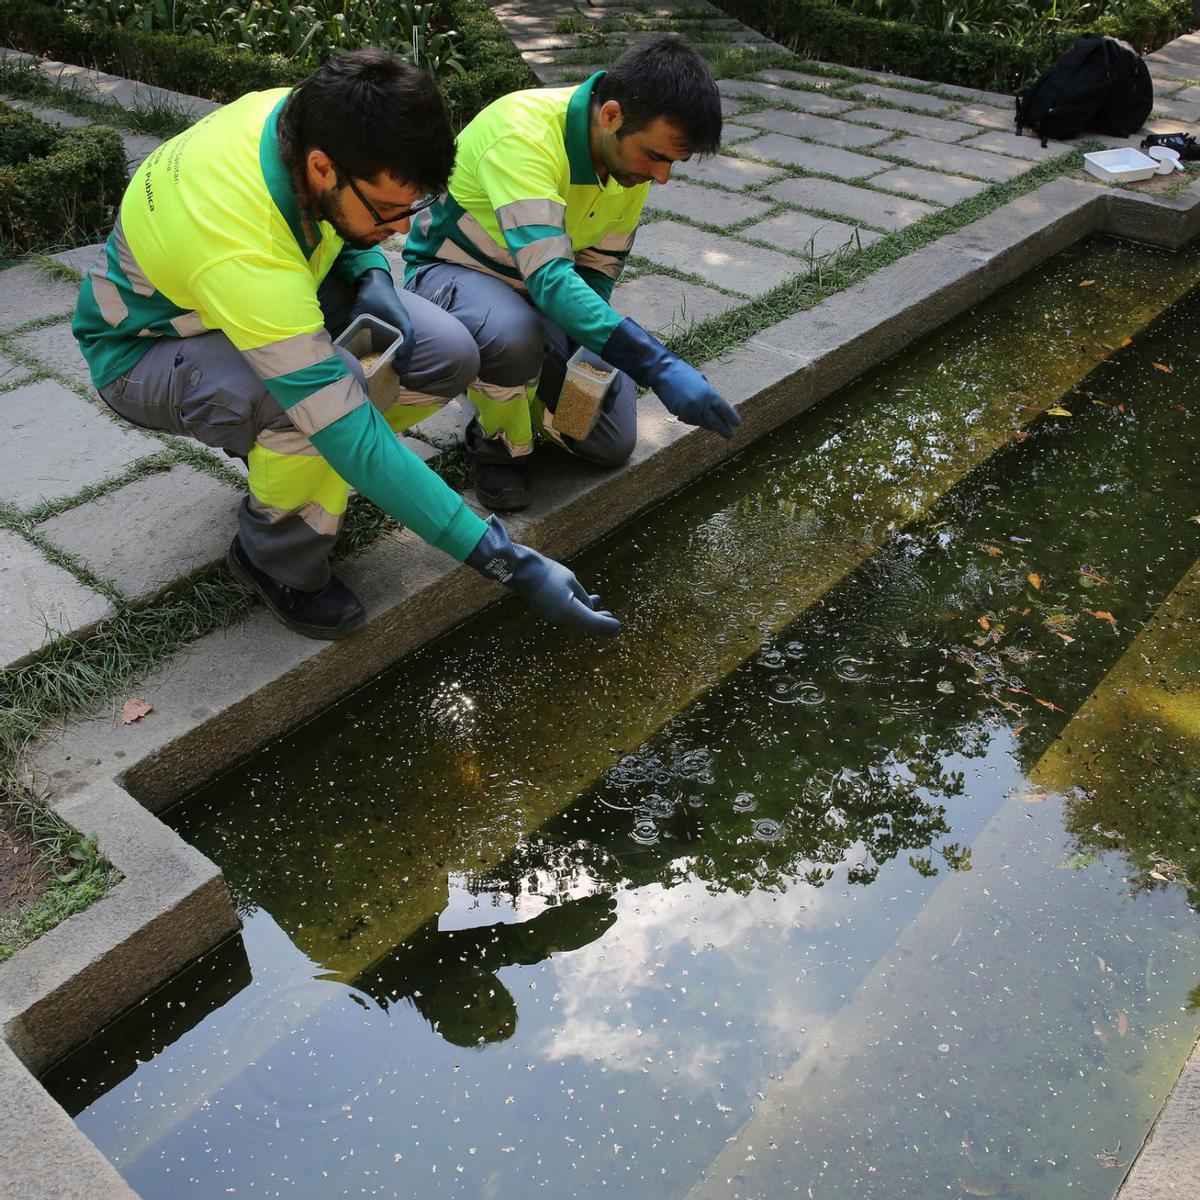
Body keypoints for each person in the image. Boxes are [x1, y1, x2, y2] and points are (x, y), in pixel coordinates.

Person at [72, 49, 618, 641]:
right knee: (316, 414)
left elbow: (330, 225)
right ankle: (274, 557)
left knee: (448, 353)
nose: (403, 228)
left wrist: (372, 272)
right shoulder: (241, 242)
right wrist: (504, 560)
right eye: (387, 210)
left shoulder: (306, 118)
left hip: (262, 291)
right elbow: (340, 417)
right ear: (323, 168)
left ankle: (300, 463)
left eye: (411, 207)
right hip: (146, 348)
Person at [403, 35, 741, 512]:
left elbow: (598, 269)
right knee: (512, 335)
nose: (662, 177)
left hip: (539, 293)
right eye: (657, 157)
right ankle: (498, 445)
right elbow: (550, 279)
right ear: (612, 116)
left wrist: (590, 351)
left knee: (609, 442)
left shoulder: (627, 163)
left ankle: (519, 381)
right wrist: (658, 365)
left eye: (673, 163)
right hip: (450, 276)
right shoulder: (522, 136)